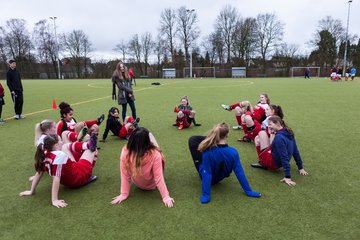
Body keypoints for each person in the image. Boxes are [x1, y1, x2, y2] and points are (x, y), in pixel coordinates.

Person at [188, 123, 261, 204]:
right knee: (221, 155)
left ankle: (213, 140)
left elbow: (207, 174)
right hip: (221, 175)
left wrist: (206, 195)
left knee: (192, 140)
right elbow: (239, 172)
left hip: (207, 174)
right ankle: (216, 140)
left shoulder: (207, 153)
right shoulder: (233, 152)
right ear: (227, 135)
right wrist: (248, 191)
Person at [19, 133, 98, 208]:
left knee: (65, 147)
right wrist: (54, 200)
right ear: (56, 145)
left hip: (73, 170)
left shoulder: (44, 153)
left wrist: (31, 191)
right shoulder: (59, 156)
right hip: (78, 177)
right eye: (60, 141)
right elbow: (56, 178)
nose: (62, 142)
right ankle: (88, 148)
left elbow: (39, 173)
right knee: (93, 150)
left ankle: (87, 144)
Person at [111, 127, 174, 208]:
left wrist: (124, 194)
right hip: (152, 185)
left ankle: (147, 136)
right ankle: (149, 136)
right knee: (159, 153)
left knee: (157, 152)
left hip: (137, 182)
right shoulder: (155, 154)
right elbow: (159, 177)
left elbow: (125, 174)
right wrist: (166, 197)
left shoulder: (125, 151)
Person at [251, 116, 309, 186]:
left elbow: (284, 157)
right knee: (258, 138)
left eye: (270, 124)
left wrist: (288, 177)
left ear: (277, 123)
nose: (268, 126)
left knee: (260, 134)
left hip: (272, 163)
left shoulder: (279, 137)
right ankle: (262, 161)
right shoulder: (289, 132)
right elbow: (295, 151)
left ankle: (262, 162)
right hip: (277, 162)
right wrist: (300, 167)